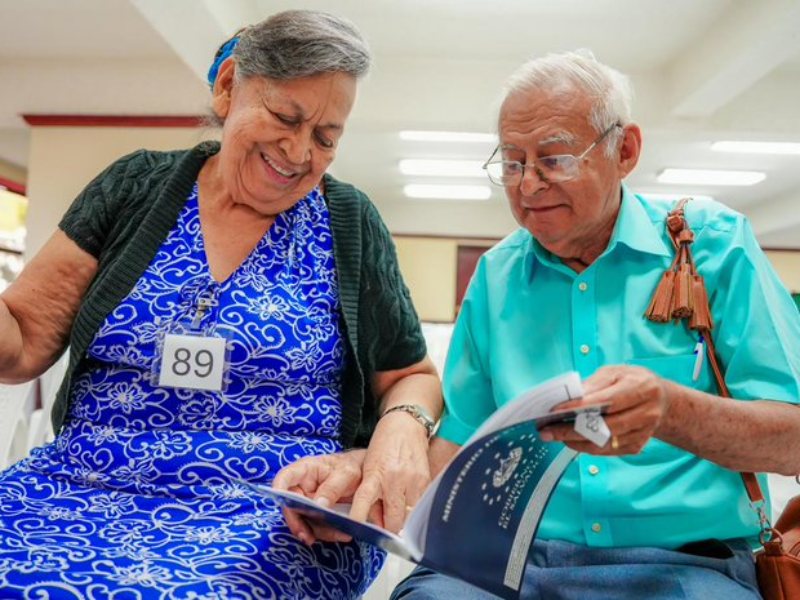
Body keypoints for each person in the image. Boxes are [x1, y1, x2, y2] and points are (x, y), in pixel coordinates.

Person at [281, 49, 800, 599]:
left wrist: (672, 411)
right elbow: (457, 447)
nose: (528, 186)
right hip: (506, 563)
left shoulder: (712, 246)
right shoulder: (497, 276)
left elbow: (791, 441)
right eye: (512, 163)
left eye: (554, 159)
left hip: (685, 566)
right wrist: (364, 481)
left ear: (625, 151)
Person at [0, 10, 441, 598]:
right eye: (286, 118)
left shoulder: (348, 221)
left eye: (325, 138)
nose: (299, 151)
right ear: (230, 86)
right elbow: (22, 342)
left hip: (275, 513)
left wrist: (401, 431)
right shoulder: (134, 187)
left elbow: (411, 375)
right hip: (76, 486)